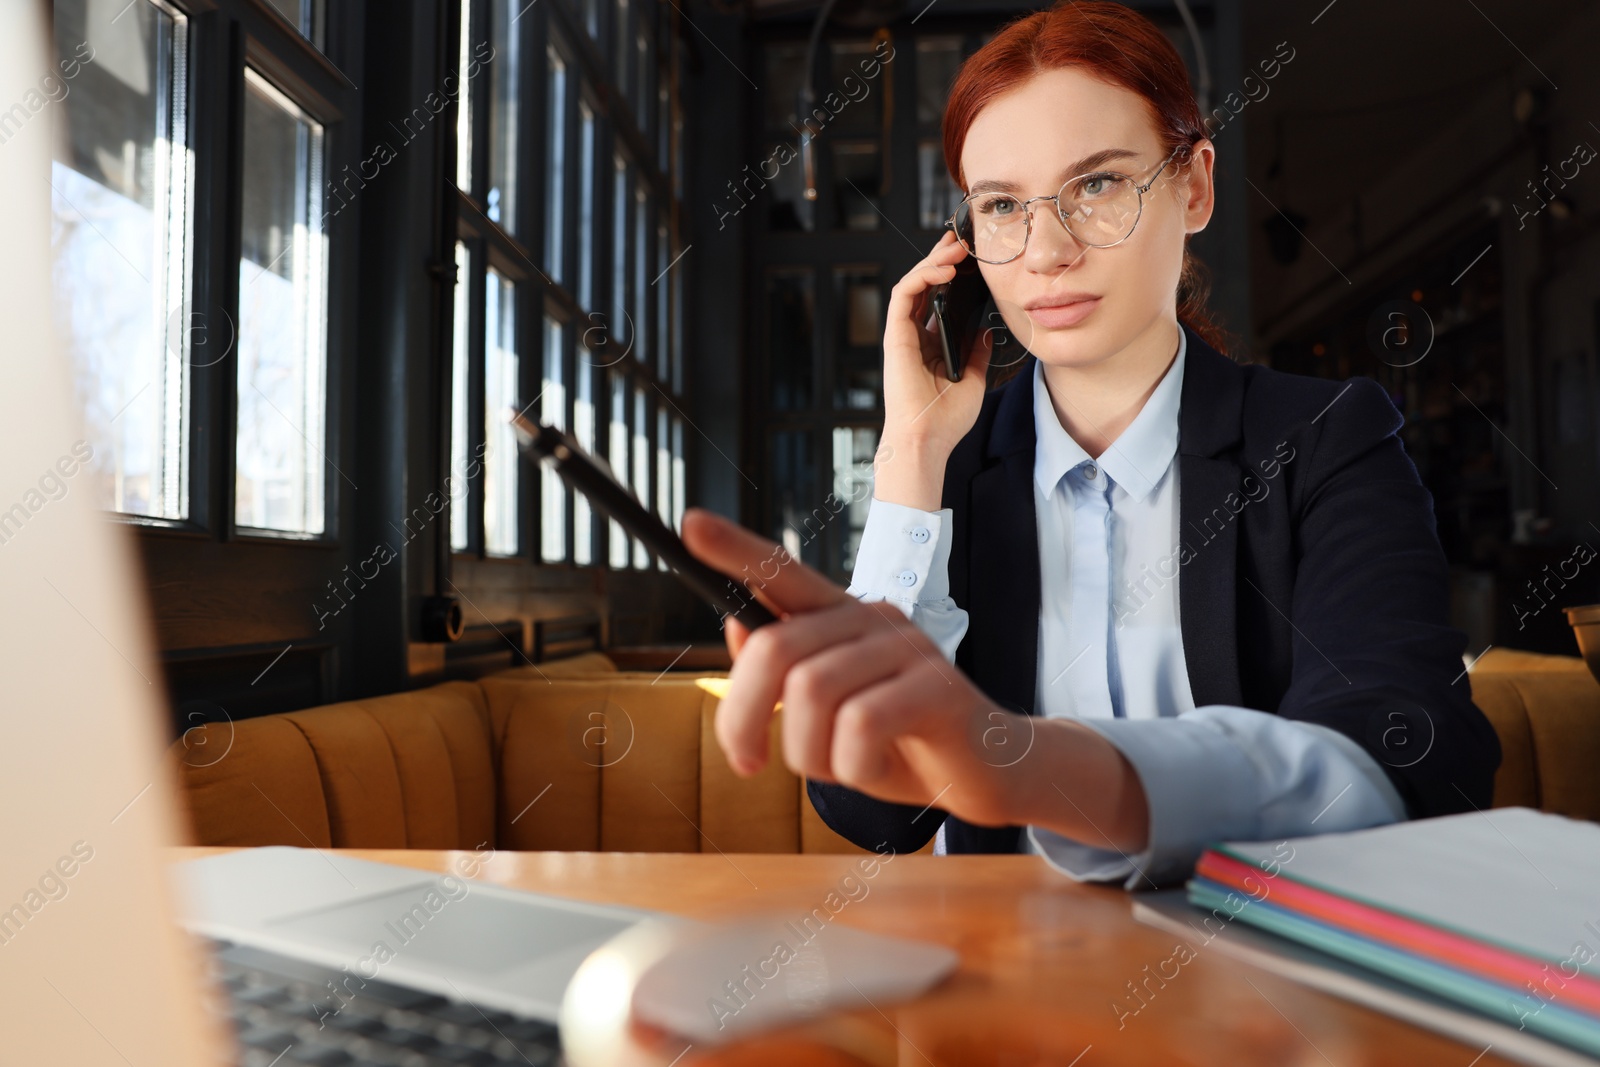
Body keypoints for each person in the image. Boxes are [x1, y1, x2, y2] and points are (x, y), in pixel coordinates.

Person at [680, 0, 1500, 888]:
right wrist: (909, 461)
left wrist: (1038, 765)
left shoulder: (1328, 441)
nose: (1046, 251)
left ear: (1194, 187)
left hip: (1257, 982)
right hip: (1005, 982)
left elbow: (1411, 766)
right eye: (1002, 205)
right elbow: (876, 818)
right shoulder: (950, 473)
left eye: (1098, 185)